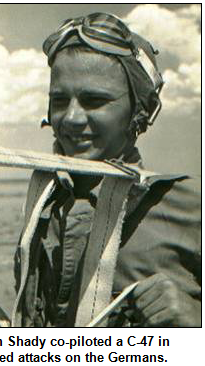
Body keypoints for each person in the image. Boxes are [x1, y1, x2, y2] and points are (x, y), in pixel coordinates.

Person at [13, 13, 201, 328]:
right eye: (59, 100)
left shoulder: (188, 207)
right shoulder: (42, 206)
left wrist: (196, 319)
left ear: (138, 111)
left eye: (94, 101)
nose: (70, 118)